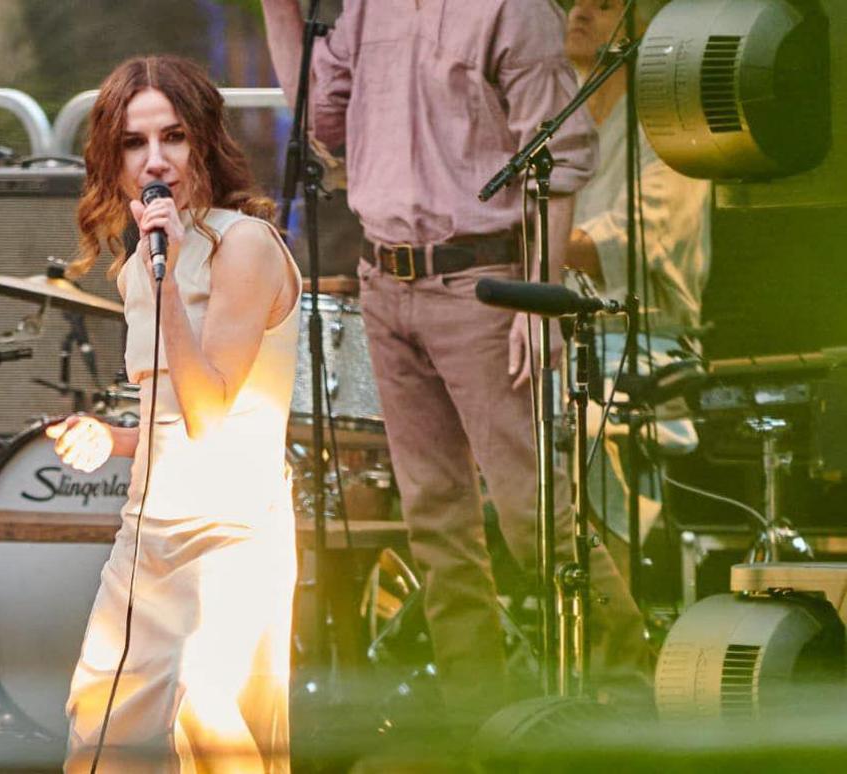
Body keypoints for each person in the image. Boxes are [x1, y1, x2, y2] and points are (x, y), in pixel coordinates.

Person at [260, 0, 650, 715]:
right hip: (387, 279)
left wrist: (540, 298)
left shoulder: (511, 9)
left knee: (532, 513)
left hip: (483, 283)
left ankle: (629, 697)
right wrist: (278, 14)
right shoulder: (368, 9)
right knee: (435, 520)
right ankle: (483, 723)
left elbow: (557, 157)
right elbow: (319, 124)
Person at [48, 55, 303, 772]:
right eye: (134, 143)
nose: (155, 160)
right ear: (113, 157)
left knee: (211, 731)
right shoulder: (139, 264)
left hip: (229, 535)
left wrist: (166, 288)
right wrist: (115, 438)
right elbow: (171, 418)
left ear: (204, 143)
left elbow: (212, 412)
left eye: (174, 138)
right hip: (148, 536)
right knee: (100, 733)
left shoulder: (242, 246)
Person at [563, 0, 711, 554]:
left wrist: (531, 245)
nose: (579, 14)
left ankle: (617, 594)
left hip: (644, 340)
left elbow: (638, 237)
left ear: (644, 27)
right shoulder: (550, 120)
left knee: (579, 424)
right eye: (573, 3)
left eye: (601, 5)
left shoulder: (670, 123)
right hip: (558, 341)